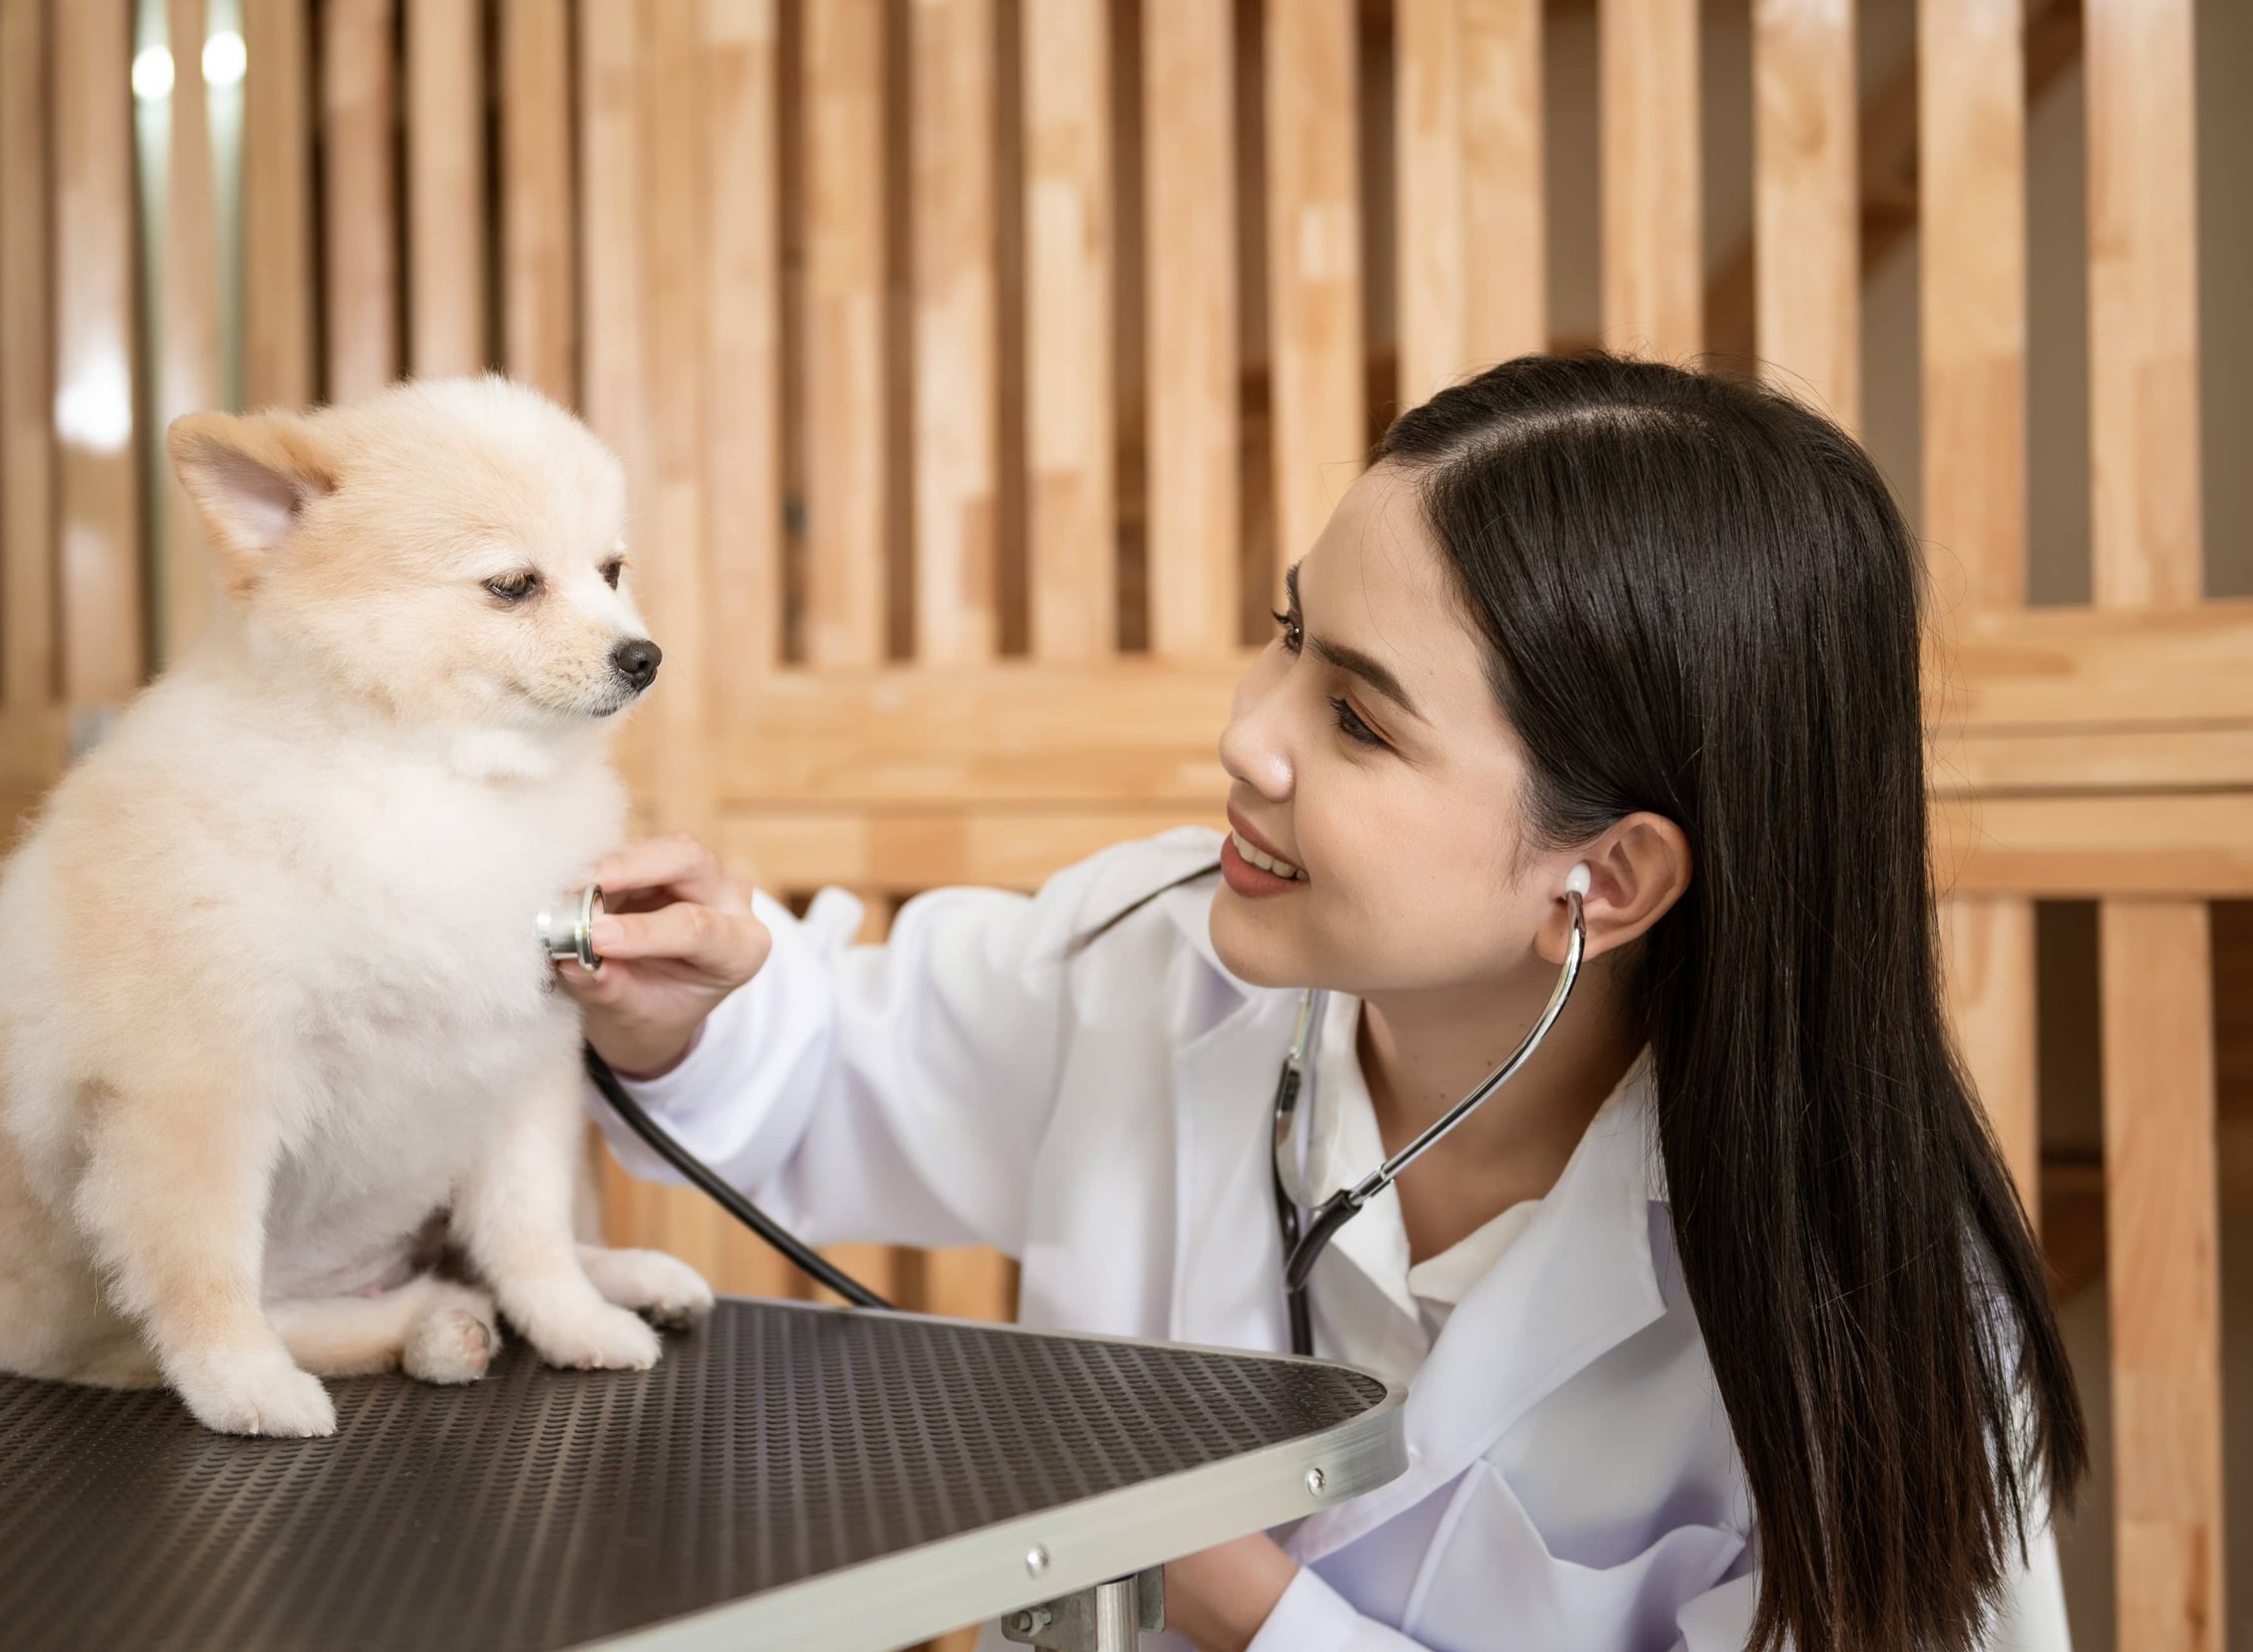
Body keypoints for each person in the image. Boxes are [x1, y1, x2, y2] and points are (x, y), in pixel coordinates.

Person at [550, 354, 2085, 1651]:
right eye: (1289, 637)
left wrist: (1258, 1613)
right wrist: (689, 1006)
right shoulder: (1160, 957)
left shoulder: (1887, 1313)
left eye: (1354, 717)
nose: (1247, 738)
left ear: (1605, 879)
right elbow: (838, 1058)